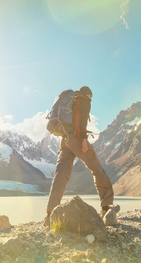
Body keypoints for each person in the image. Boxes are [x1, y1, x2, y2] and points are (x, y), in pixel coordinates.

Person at [44, 86, 114, 227]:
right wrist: (83, 140)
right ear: (88, 95)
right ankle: (107, 207)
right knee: (96, 169)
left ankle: (51, 213)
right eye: (91, 98)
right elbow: (80, 121)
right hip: (76, 139)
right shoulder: (83, 100)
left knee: (60, 175)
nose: (90, 100)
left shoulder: (68, 99)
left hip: (64, 140)